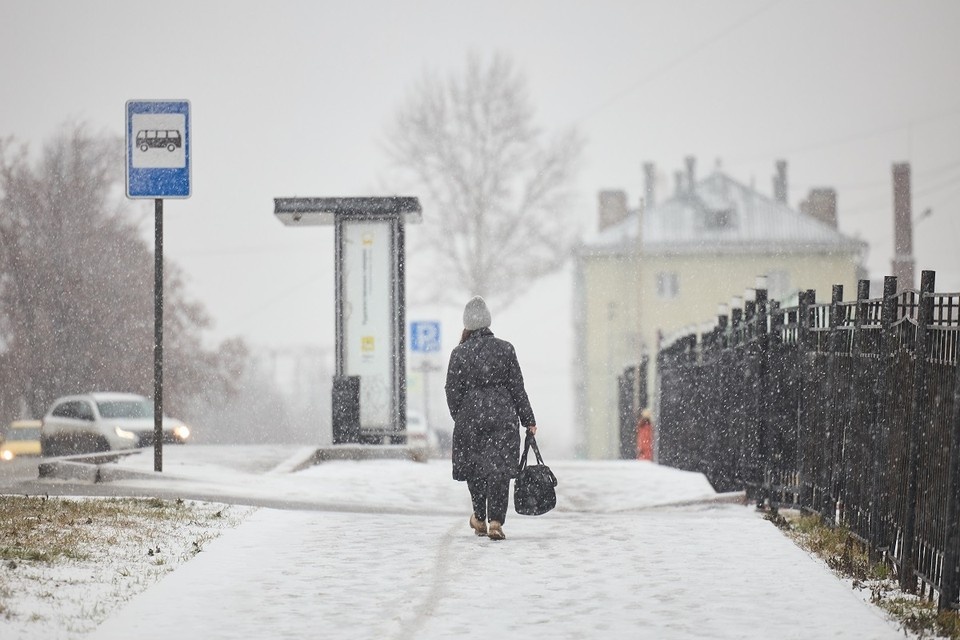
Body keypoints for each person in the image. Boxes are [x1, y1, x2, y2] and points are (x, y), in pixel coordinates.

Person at [445, 296, 536, 541]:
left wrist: (462, 415)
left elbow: (451, 391)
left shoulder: (459, 353)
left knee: (475, 469)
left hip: (471, 419)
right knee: (499, 470)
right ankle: (496, 520)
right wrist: (528, 419)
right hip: (502, 416)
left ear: (467, 324)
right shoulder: (506, 349)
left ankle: (479, 517)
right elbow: (517, 388)